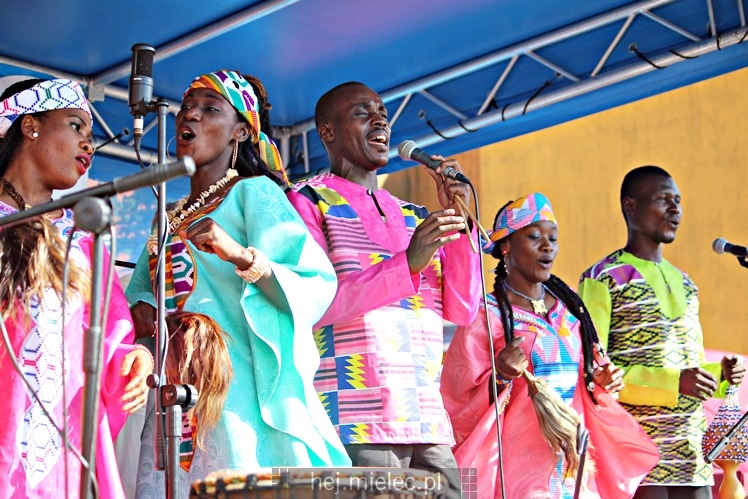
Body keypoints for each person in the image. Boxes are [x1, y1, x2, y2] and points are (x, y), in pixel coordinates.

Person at [125, 70, 350, 497]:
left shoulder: (255, 193)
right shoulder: (168, 216)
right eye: (187, 108)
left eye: (211, 110)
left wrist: (239, 255)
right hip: (176, 390)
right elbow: (139, 298)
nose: (191, 115)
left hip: (237, 390)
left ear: (240, 132)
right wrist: (145, 317)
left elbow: (316, 282)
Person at [286, 81, 480, 498]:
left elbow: (463, 311)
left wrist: (458, 221)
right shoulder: (305, 201)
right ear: (328, 132)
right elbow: (315, 303)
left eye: (382, 113)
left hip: (427, 418)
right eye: (361, 112)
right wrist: (407, 264)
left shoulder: (414, 215)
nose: (379, 120)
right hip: (353, 420)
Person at [440, 193, 660, 498]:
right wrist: (502, 374)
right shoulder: (486, 314)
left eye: (553, 238)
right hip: (520, 465)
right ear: (505, 247)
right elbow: (458, 399)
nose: (547, 246)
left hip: (575, 462)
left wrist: (602, 383)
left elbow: (590, 376)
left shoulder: (570, 307)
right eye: (534, 237)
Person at [0, 78, 153, 499]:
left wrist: (132, 357)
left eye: (90, 132)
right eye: (75, 126)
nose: (89, 143)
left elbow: (109, 326)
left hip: (58, 450)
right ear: (30, 126)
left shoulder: (82, 238)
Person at [578, 166, 746, 499]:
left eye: (678, 201)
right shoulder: (602, 276)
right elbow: (595, 373)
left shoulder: (686, 282)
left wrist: (721, 375)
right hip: (638, 460)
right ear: (630, 205)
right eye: (662, 199)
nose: (675, 209)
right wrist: (675, 383)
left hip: (694, 457)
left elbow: (690, 367)